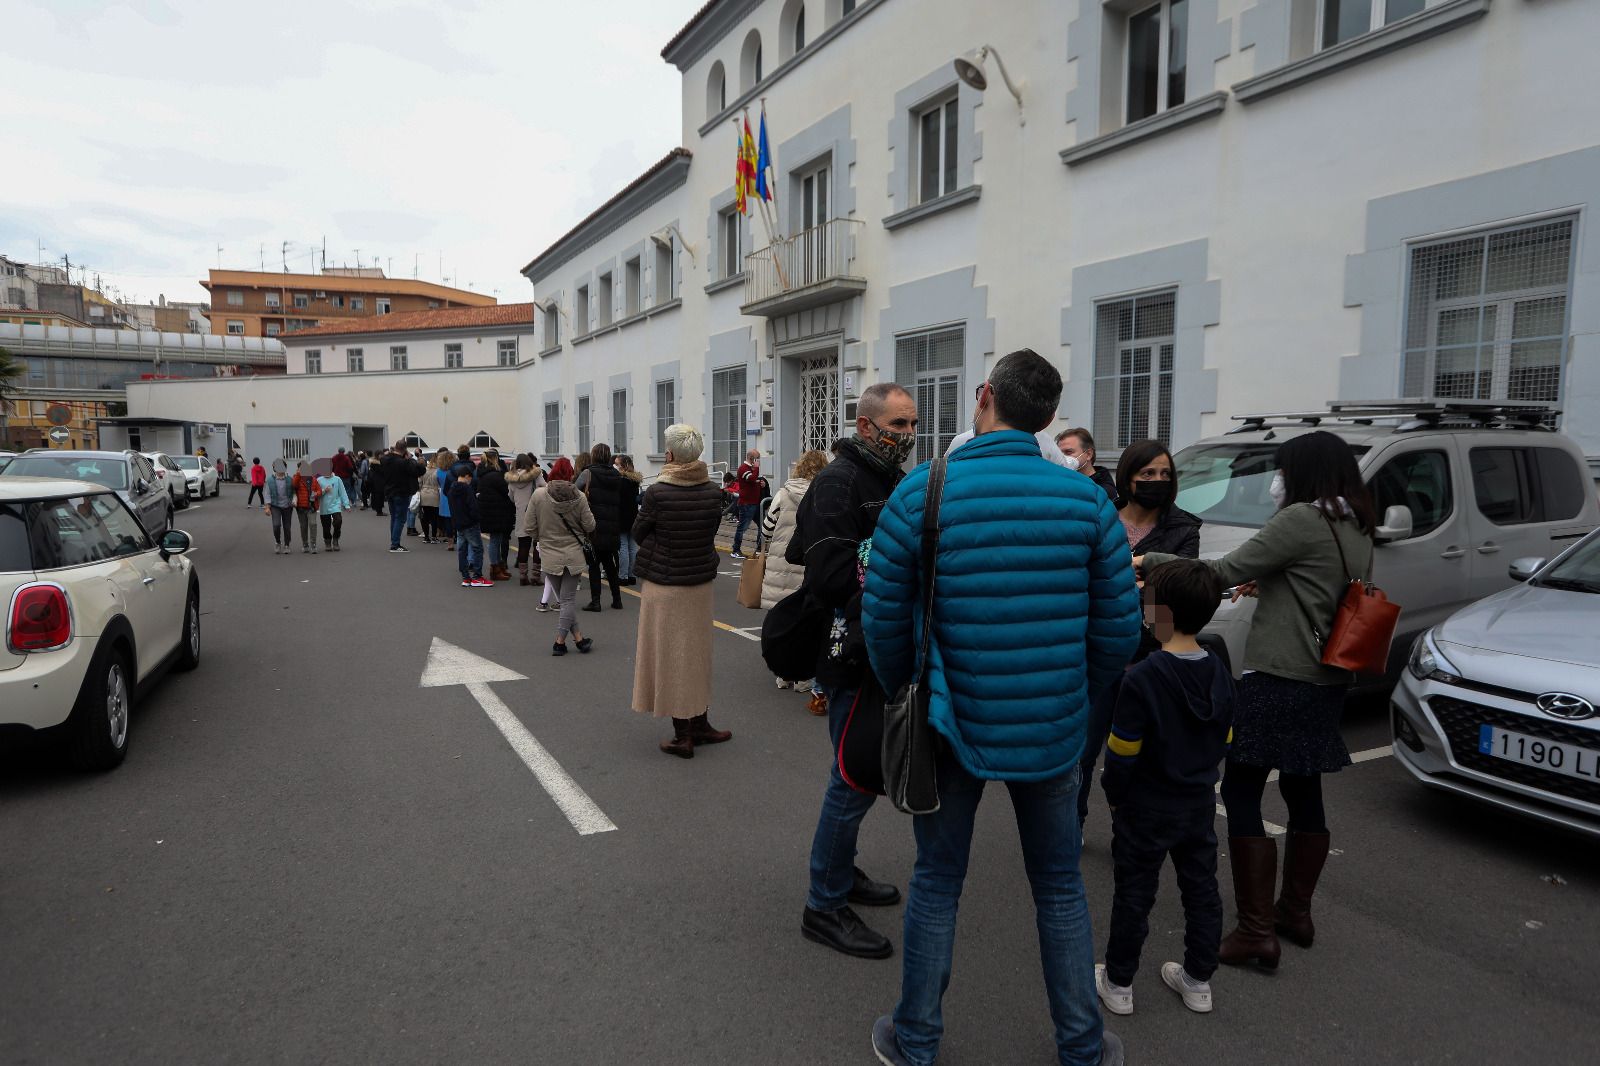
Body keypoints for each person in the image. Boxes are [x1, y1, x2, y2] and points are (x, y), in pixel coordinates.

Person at [861, 349, 1141, 1066]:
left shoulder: (924, 492)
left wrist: (908, 690)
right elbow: (1116, 634)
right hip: (1051, 727)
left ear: (984, 396)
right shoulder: (1087, 503)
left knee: (937, 881)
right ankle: (1081, 1044)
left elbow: (884, 622)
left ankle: (916, 1040)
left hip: (949, 722)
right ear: (1049, 420)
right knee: (1058, 887)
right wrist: (1072, 698)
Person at [1135, 429, 1376, 972]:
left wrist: (1152, 564)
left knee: (1242, 788)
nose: (1279, 482)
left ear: (1306, 474)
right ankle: (1295, 913)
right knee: (1301, 784)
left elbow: (1219, 572)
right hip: (1327, 679)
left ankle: (1255, 931)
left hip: (1280, 673)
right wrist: (1275, 584)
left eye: (1286, 471)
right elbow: (1324, 587)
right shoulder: (1356, 523)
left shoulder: (1300, 520)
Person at [794, 382, 920, 962]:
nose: (909, 437)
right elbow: (830, 575)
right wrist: (895, 560)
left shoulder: (885, 478)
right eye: (899, 426)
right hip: (851, 652)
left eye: (913, 425)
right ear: (867, 427)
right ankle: (823, 904)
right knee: (851, 776)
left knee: (863, 773)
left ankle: (840, 873)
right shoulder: (839, 482)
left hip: (880, 646)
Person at [1095, 560, 1235, 1019]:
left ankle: (1118, 983)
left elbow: (1121, 753)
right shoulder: (1218, 668)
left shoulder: (1142, 677)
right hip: (1198, 803)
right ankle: (1198, 980)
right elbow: (1226, 738)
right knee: (1201, 891)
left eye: (1146, 601)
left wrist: (1114, 795)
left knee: (1135, 894)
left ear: (1161, 613)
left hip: (1146, 806)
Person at [1079, 438, 1203, 828]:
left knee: (1138, 748)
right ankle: (1072, 821)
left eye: (1165, 474)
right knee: (1083, 749)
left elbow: (1178, 591)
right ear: (1128, 478)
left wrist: (1140, 582)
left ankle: (1128, 825)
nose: (1157, 480)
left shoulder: (1183, 528)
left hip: (1151, 649)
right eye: (1147, 473)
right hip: (1094, 646)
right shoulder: (1101, 516)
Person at [629, 424, 728, 758]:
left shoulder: (657, 492)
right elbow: (709, 532)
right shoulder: (713, 492)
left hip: (665, 584)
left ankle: (682, 734)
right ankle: (699, 723)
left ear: (669, 455)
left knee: (671, 656)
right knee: (697, 655)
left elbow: (639, 532)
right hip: (699, 582)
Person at [759, 449, 828, 713]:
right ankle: (803, 678)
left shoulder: (783, 492)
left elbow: (766, 528)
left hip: (781, 564)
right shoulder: (822, 493)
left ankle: (783, 673)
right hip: (807, 563)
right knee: (806, 622)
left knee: (782, 619)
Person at [524, 461, 596, 654]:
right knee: (568, 601)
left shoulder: (539, 495)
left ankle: (579, 639)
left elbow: (529, 526)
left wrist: (542, 537)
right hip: (573, 554)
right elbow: (590, 526)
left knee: (565, 601)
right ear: (571, 475)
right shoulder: (580, 497)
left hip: (548, 554)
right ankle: (560, 642)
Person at [582, 443, 626, 612]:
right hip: (612, 523)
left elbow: (576, 490)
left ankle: (596, 601)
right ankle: (617, 599)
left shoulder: (588, 473)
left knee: (594, 564)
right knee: (610, 565)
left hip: (594, 524)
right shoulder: (616, 475)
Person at [539, 457, 577, 611]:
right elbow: (587, 522)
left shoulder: (542, 493)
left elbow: (532, 519)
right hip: (568, 539)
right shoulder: (576, 493)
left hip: (547, 537)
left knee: (551, 571)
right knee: (562, 572)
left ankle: (548, 602)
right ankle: (560, 602)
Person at [476, 450, 516, 582]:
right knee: (495, 540)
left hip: (489, 510)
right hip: (496, 511)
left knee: (496, 539)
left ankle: (498, 566)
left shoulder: (482, 473)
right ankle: (495, 569)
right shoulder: (496, 475)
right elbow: (506, 492)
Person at [449, 464, 489, 587]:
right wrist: (477, 519)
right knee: (477, 549)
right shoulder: (467, 489)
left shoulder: (451, 489)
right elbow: (473, 507)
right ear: (466, 476)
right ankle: (477, 576)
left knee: (462, 550)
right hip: (470, 524)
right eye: (470, 479)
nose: (470, 481)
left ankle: (466, 577)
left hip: (459, 524)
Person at [507, 454, 544, 585]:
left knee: (523, 546)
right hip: (536, 513)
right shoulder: (536, 475)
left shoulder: (512, 479)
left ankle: (523, 577)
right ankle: (536, 576)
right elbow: (544, 489)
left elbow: (510, 496)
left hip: (521, 514)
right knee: (537, 545)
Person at [380, 444, 424, 553]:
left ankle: (394, 542)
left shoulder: (384, 460)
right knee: (400, 518)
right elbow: (420, 470)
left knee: (394, 517)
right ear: (405, 450)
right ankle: (395, 544)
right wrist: (411, 460)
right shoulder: (404, 462)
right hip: (401, 492)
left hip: (389, 491)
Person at [1057, 427, 1119, 504]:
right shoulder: (1060, 480)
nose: (1062, 457)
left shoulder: (1103, 491)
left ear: (1089, 454)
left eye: (1069, 452)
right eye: (1059, 453)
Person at [729, 447, 762, 559]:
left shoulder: (751, 468)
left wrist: (760, 483)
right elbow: (751, 478)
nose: (758, 461)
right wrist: (756, 471)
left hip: (754, 502)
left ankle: (759, 548)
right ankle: (736, 550)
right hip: (747, 503)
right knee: (742, 527)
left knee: (762, 525)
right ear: (751, 458)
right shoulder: (743, 468)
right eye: (757, 459)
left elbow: (752, 482)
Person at [615, 454, 642, 585]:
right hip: (633, 515)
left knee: (623, 547)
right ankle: (632, 575)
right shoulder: (635, 480)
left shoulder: (620, 481)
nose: (615, 467)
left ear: (623, 466)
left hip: (621, 516)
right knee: (632, 547)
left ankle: (623, 576)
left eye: (617, 465)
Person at [315, 466, 353, 551]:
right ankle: (327, 541)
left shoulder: (337, 479)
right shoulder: (319, 480)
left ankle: (335, 539)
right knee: (326, 527)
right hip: (324, 506)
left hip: (335, 505)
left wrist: (346, 505)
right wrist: (324, 490)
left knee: (338, 521)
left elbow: (342, 492)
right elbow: (316, 493)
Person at [291, 459, 323, 554]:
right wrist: (299, 474)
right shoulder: (296, 477)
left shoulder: (313, 479)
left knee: (313, 524)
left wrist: (316, 494)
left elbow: (320, 490)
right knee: (303, 526)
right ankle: (305, 544)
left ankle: (313, 545)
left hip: (312, 507)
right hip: (301, 507)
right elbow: (294, 485)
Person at [263, 458, 294, 554]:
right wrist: (267, 507)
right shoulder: (270, 480)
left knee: (287, 527)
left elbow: (294, 492)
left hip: (287, 506)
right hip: (275, 505)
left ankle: (287, 545)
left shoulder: (290, 479)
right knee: (276, 525)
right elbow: (267, 494)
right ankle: (277, 542)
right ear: (274, 468)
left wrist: (294, 500)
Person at [417, 454, 442, 544]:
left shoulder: (424, 470)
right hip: (435, 494)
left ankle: (426, 537)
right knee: (434, 517)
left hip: (424, 494)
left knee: (425, 517)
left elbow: (419, 483)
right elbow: (440, 484)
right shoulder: (438, 471)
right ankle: (434, 537)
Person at [434, 448, 456, 549]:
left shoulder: (439, 472)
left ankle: (450, 542)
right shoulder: (455, 471)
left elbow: (438, 483)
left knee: (447, 521)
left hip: (444, 495)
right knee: (456, 518)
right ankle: (457, 538)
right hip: (455, 495)